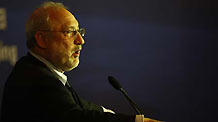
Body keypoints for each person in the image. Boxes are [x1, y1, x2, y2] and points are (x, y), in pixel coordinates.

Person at [1, 1, 162, 122]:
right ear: (42, 39)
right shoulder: (36, 78)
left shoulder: (40, 71)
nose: (80, 40)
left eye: (80, 32)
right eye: (70, 32)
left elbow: (82, 106)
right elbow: (76, 117)